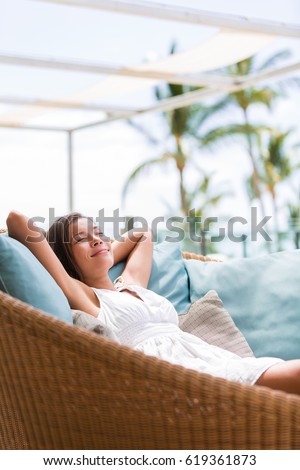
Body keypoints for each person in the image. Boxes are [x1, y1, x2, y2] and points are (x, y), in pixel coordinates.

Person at [6, 210, 300, 396]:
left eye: (100, 234)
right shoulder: (83, 296)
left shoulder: (131, 284)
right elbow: (16, 221)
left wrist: (102, 249)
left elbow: (142, 233)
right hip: (175, 375)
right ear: (64, 258)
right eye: (82, 240)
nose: (97, 240)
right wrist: (69, 259)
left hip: (212, 358)